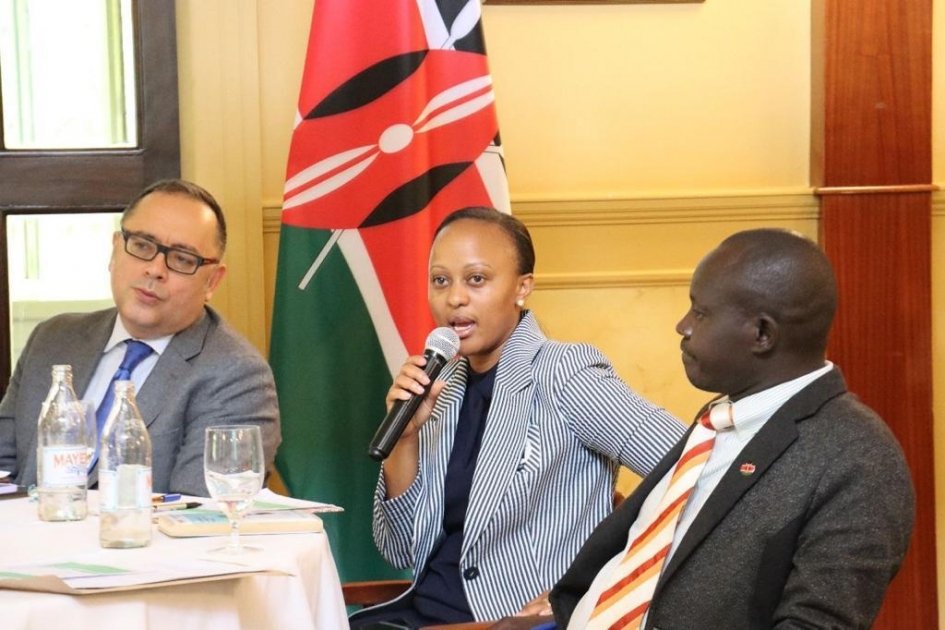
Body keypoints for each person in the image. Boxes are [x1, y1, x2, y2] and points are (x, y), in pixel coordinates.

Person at [498, 228, 915, 629]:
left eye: (700, 312)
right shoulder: (720, 416)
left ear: (762, 334)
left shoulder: (859, 459)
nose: (683, 326)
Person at [349, 207, 685, 628]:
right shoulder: (441, 387)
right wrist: (406, 439)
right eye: (441, 280)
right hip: (420, 614)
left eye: (476, 279)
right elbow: (399, 550)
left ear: (522, 287)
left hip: (505, 622)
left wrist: (593, 583)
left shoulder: (563, 372)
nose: (455, 298)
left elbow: (696, 467)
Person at [0, 179, 281, 497]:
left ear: (212, 282)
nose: (155, 270)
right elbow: (4, 471)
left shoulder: (237, 376)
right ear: (115, 250)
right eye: (143, 246)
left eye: (182, 259)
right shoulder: (53, 340)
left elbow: (201, 511)